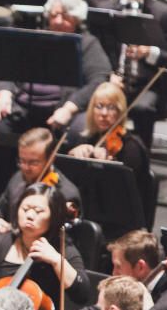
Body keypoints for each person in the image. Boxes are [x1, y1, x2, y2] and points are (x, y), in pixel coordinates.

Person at [0, 182, 91, 310]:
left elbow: (82, 294)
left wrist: (57, 261)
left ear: (54, 216)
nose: (30, 215)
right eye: (25, 209)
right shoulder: (1, 244)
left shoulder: (64, 250)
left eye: (39, 211)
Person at [0, 0, 110, 138]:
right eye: (54, 15)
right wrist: (3, 94)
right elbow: (7, 67)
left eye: (65, 16)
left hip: (62, 111)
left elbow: (99, 79)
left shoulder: (87, 43)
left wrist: (70, 108)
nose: (58, 21)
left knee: (81, 129)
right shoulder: (35, 37)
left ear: (76, 18)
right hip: (22, 109)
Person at [95, 0, 167, 146]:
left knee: (143, 109)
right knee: (103, 103)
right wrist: (109, 76)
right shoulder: (105, 9)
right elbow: (97, 51)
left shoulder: (162, 13)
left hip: (145, 84)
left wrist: (148, 52)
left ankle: (139, 160)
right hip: (115, 80)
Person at [66, 81, 153, 227]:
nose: (104, 113)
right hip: (91, 214)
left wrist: (107, 167)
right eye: (99, 106)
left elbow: (125, 195)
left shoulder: (131, 147)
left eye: (111, 107)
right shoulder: (87, 138)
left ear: (120, 111)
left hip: (120, 221)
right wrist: (73, 155)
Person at [0, 127, 82, 237]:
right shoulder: (18, 178)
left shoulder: (67, 194)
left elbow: (60, 238)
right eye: (22, 161)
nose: (26, 168)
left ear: (51, 158)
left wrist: (12, 230)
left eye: (33, 162)